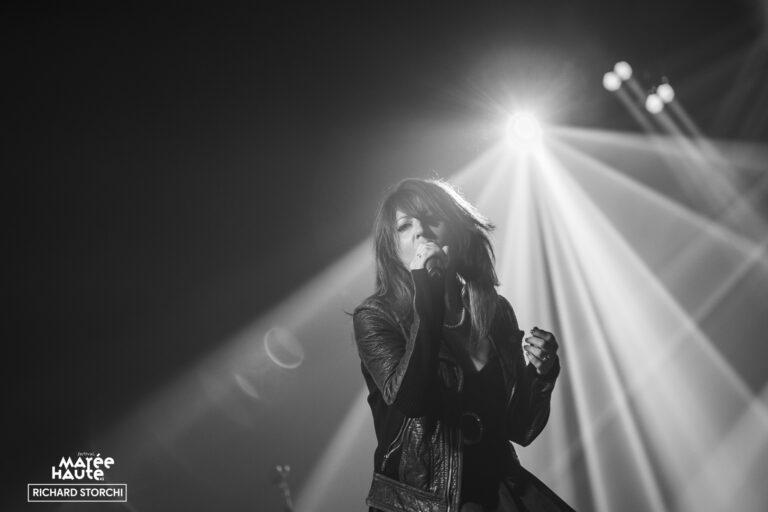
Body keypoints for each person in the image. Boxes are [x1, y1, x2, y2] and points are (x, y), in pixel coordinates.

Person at [353, 178, 576, 512]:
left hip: (498, 486)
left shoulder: (495, 312)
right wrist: (427, 296)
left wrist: (541, 374)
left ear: (456, 231)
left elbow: (520, 429)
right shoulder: (376, 316)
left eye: (431, 219)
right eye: (404, 226)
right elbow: (411, 400)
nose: (421, 232)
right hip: (424, 502)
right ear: (392, 249)